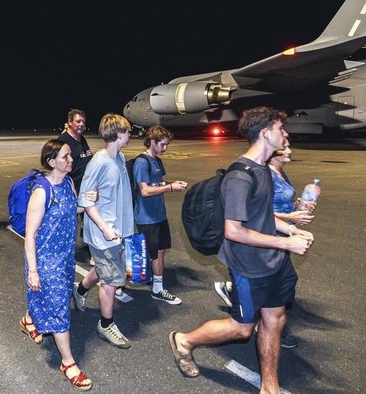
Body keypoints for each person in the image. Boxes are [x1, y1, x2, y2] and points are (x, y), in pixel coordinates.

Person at [168, 107, 314, 393]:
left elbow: (261, 214)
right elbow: (233, 230)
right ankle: (184, 340)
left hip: (275, 262)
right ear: (265, 133)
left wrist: (290, 229)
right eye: (280, 128)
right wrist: (286, 242)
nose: (285, 134)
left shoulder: (264, 170)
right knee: (242, 328)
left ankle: (269, 386)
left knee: (275, 319)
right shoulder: (240, 176)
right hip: (249, 266)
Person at [214, 143, 315, 349]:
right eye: (284, 146)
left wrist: (294, 216)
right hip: (260, 240)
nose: (289, 149)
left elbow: (272, 206)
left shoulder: (275, 172)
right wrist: (288, 225)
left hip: (278, 234)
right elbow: (250, 218)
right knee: (242, 328)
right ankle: (184, 340)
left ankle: (270, 326)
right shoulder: (248, 174)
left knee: (282, 287)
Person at [20, 139, 96, 391]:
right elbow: (30, 235)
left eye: (70, 156)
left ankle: (28, 319)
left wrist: (86, 202)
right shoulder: (42, 191)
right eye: (65, 157)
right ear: (52, 162)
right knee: (59, 307)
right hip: (44, 259)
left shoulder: (68, 182)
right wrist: (33, 270)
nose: (71, 159)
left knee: (48, 297)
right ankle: (68, 362)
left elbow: (71, 210)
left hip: (65, 256)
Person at [74, 113, 134, 349]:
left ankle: (79, 290)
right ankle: (106, 324)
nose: (130, 134)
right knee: (110, 280)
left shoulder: (119, 158)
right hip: (104, 234)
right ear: (118, 134)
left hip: (117, 229)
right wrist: (104, 228)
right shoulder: (98, 163)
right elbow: (86, 201)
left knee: (102, 270)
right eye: (128, 131)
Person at [132, 125, 188, 305]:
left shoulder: (156, 160)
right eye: (162, 145)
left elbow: (158, 183)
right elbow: (145, 191)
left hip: (159, 215)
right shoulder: (142, 162)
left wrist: (172, 183)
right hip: (147, 217)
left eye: (167, 145)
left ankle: (157, 287)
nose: (165, 148)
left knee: (160, 250)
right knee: (151, 253)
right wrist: (170, 187)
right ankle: (118, 285)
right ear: (153, 142)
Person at [57, 109, 96, 267]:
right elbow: (59, 169)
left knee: (90, 221)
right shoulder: (64, 142)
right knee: (68, 223)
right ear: (70, 122)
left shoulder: (82, 139)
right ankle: (61, 253)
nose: (81, 125)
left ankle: (92, 252)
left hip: (87, 189)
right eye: (78, 121)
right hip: (73, 189)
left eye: (83, 122)